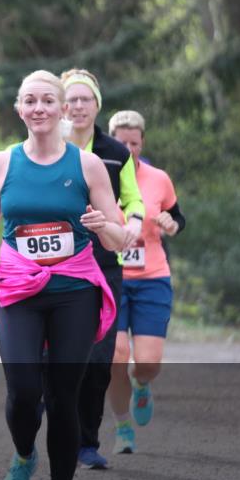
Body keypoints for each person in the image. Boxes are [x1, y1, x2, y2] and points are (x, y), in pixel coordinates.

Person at [0, 70, 125, 480]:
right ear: (19, 109)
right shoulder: (2, 164)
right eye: (30, 101)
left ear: (63, 109)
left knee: (64, 393)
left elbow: (121, 237)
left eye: (48, 100)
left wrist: (103, 227)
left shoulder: (88, 166)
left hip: (73, 291)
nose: (39, 108)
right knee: (24, 390)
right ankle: (24, 457)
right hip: (19, 289)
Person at [59, 69, 144, 471]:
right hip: (54, 263)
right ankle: (55, 425)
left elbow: (135, 201)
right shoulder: (47, 146)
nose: (77, 106)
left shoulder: (116, 151)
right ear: (62, 105)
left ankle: (87, 442)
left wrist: (133, 227)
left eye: (85, 99)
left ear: (97, 105)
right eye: (71, 100)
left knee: (99, 356)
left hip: (104, 263)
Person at [106, 110, 186, 456]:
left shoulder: (158, 179)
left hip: (153, 277)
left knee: (149, 362)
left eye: (134, 143)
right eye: (121, 143)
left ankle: (141, 384)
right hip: (113, 277)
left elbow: (177, 215)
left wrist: (172, 224)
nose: (128, 148)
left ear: (142, 143)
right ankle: (123, 426)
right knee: (117, 354)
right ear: (111, 142)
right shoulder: (100, 176)